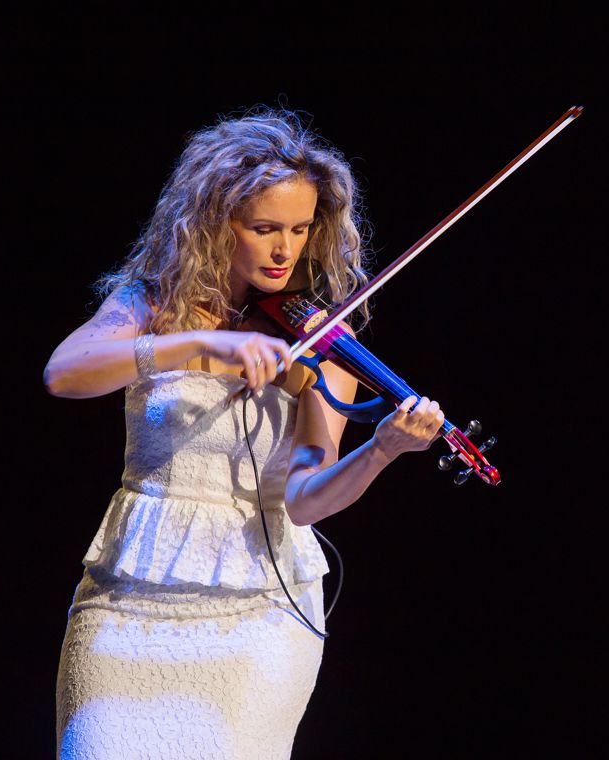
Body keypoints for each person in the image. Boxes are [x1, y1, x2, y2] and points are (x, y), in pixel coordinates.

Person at [46, 109, 446, 759]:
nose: (285, 248)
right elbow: (64, 374)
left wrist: (383, 449)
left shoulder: (320, 339)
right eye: (263, 229)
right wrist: (197, 341)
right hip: (133, 597)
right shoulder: (150, 305)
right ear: (212, 224)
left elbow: (305, 499)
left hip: (260, 609)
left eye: (298, 227)